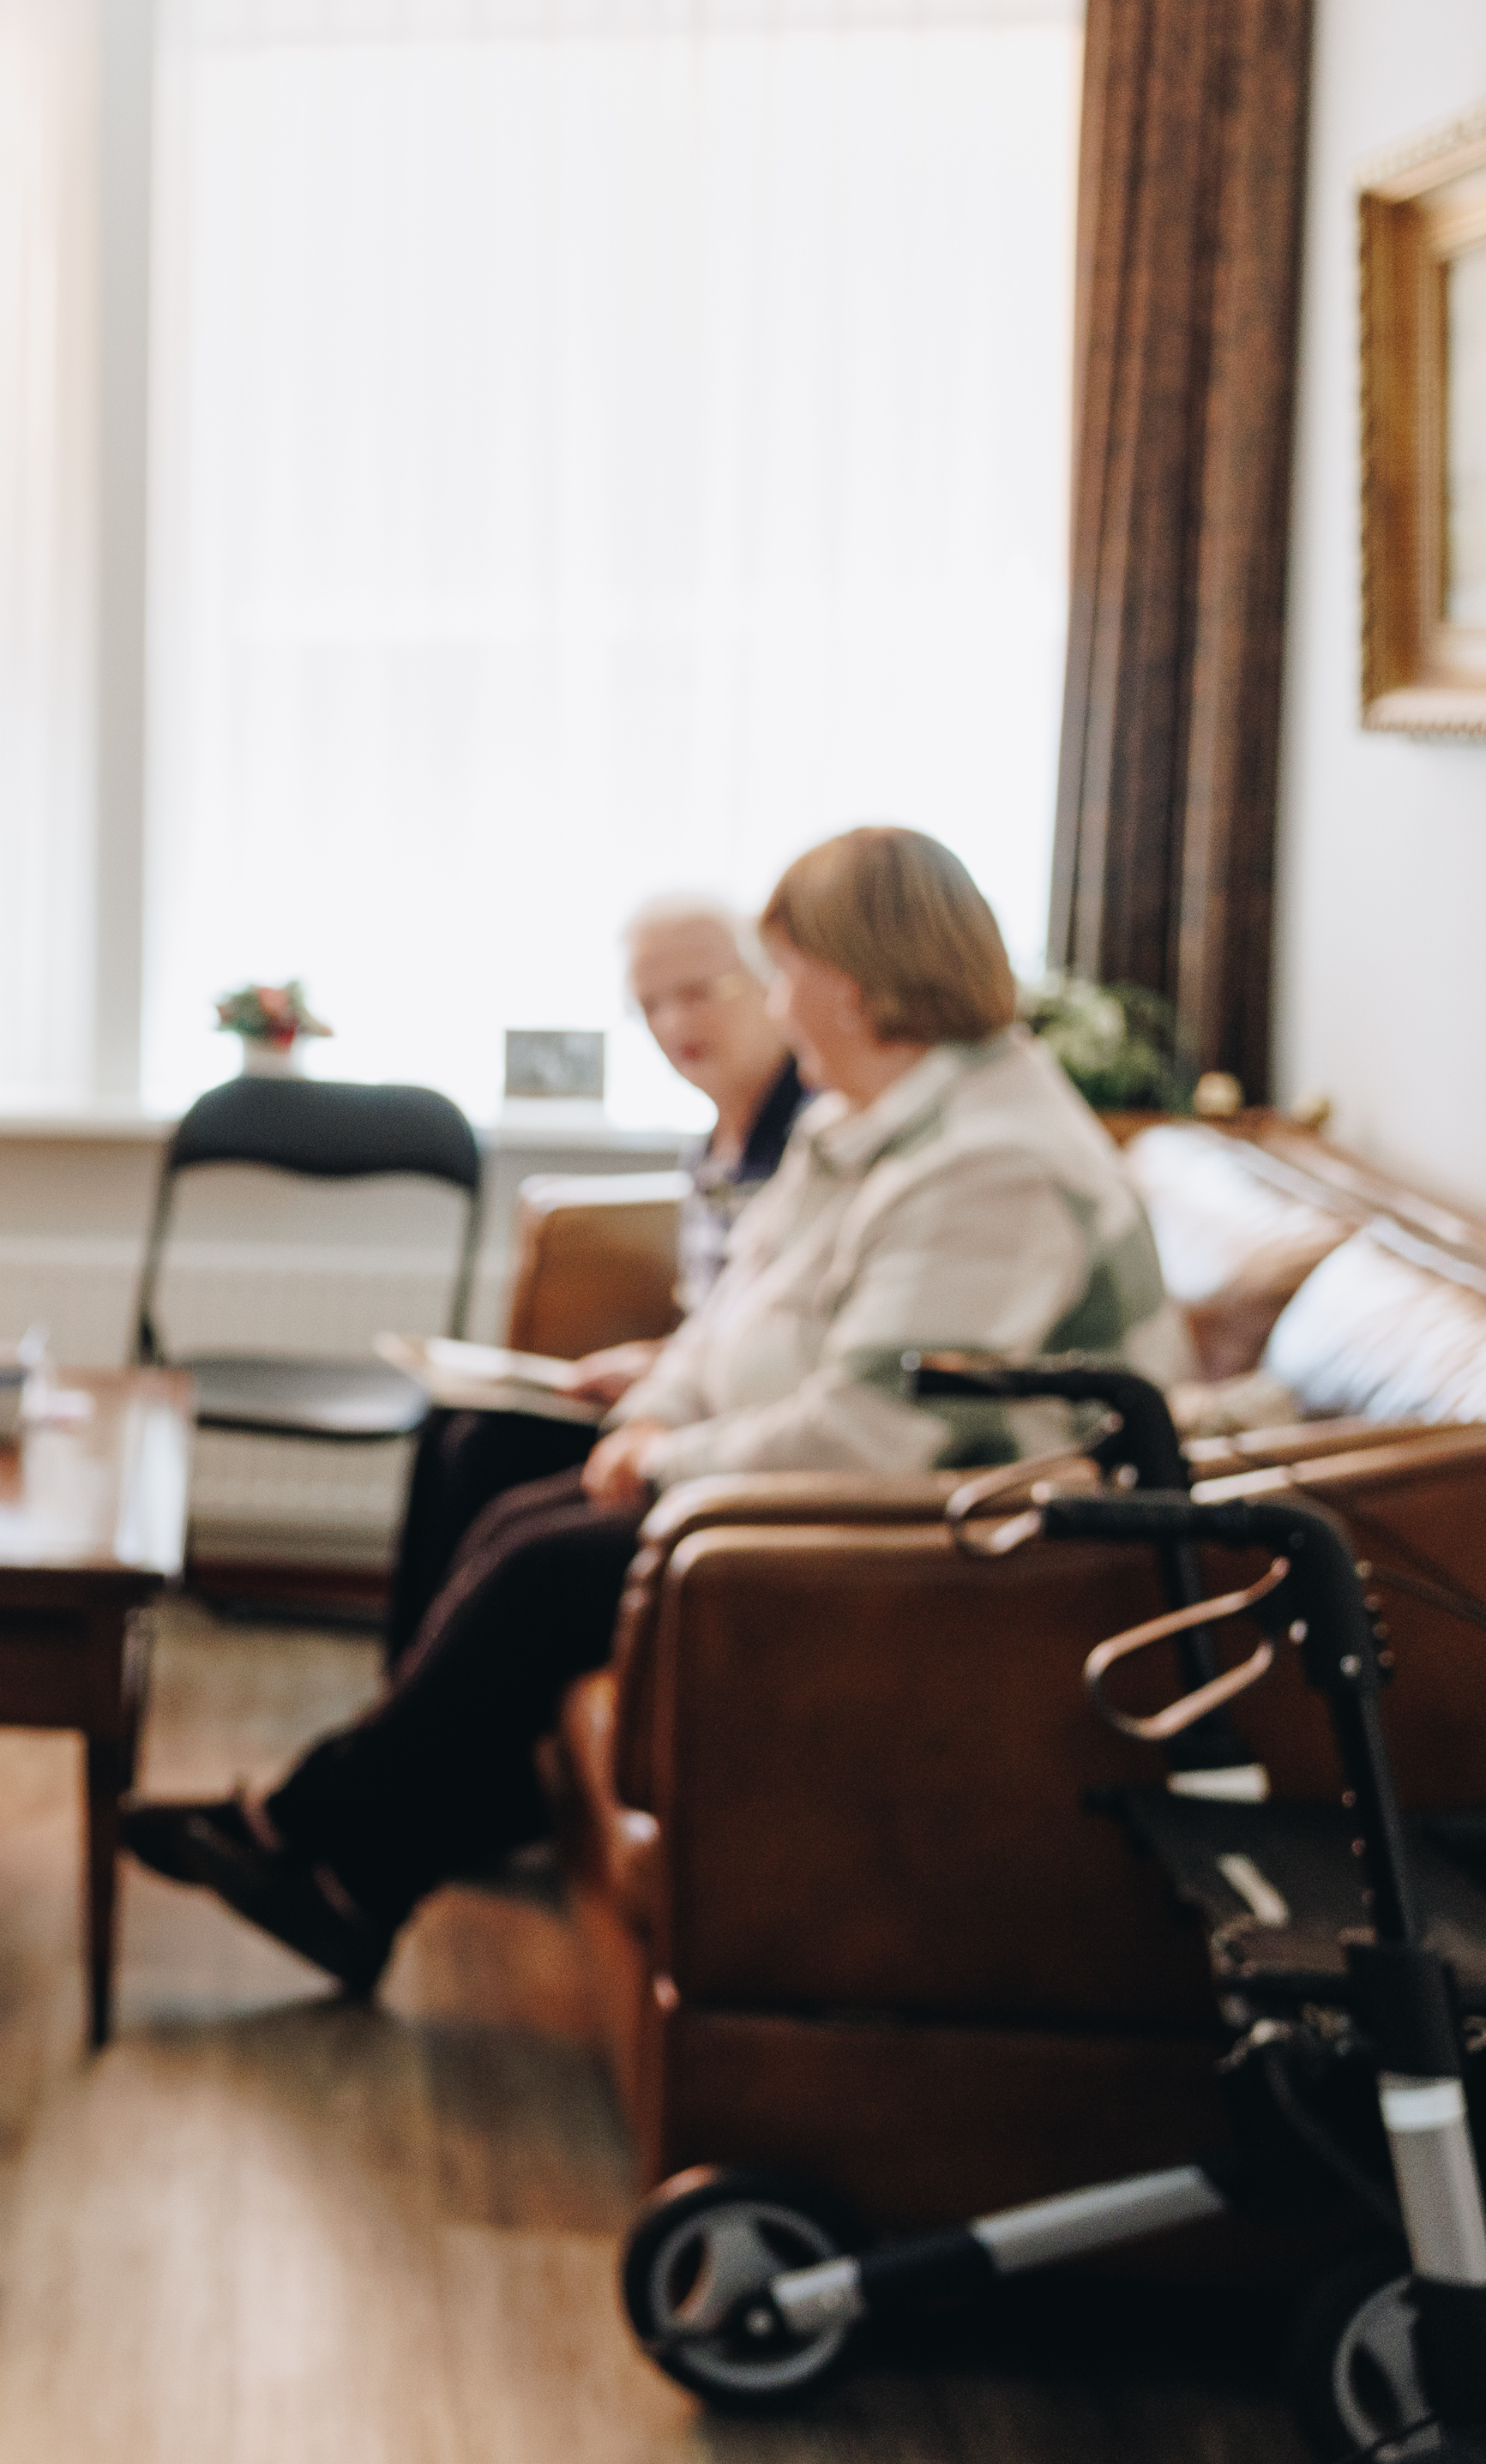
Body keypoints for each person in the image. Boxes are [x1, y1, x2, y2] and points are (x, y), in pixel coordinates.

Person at [124, 826, 1185, 1994]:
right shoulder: (862, 1124)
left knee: (544, 1564)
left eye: (785, 974)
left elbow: (871, 1432)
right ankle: (356, 1871)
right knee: (514, 1498)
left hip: (956, 1536)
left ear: (855, 982)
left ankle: (312, 1827)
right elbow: (730, 1319)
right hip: (852, 1481)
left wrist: (671, 1456)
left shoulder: (993, 1164)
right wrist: (658, 1413)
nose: (776, 1004)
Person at [381, 896, 805, 1658]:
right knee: (454, 1424)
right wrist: (651, 1360)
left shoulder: (815, 1140)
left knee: (487, 1453)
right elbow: (721, 1317)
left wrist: (664, 1374)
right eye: (650, 1005)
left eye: (698, 992)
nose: (675, 1024)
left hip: (733, 1425)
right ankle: (413, 1675)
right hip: (692, 1387)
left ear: (773, 984)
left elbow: (785, 1336)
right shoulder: (712, 1143)